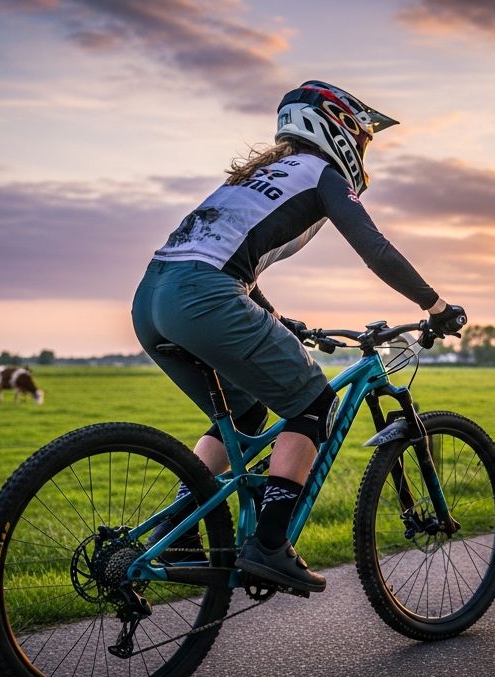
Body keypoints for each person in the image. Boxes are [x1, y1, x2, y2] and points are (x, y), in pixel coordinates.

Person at [132, 81, 467, 593]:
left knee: (244, 413)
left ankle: (175, 533)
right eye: (362, 137)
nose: (362, 148)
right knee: (313, 403)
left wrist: (273, 316)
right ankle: (268, 545)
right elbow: (374, 248)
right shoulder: (322, 174)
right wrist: (435, 306)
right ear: (339, 128)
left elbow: (227, 256)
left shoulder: (257, 176)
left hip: (154, 296)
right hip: (202, 295)